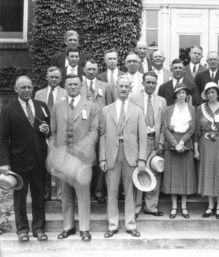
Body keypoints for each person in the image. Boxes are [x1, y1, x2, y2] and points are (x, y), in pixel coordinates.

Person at [0, 76, 50, 242]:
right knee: (20, 197)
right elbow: (2, 138)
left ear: (33, 88)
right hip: (18, 161)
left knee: (39, 195)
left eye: (29, 87)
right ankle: (22, 230)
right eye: (23, 88)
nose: (27, 90)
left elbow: (48, 130)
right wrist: (5, 163)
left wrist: (46, 130)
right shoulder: (8, 109)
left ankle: (39, 228)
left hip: (39, 159)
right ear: (16, 89)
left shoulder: (41, 106)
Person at [49, 74, 98, 241]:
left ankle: (84, 228)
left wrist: (82, 148)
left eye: (75, 84)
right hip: (63, 159)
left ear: (80, 86)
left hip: (82, 160)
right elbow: (53, 132)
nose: (72, 87)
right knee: (66, 195)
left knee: (83, 196)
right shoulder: (57, 106)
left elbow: (93, 132)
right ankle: (68, 227)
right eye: (69, 84)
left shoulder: (90, 106)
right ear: (65, 85)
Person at [99, 76, 147, 238]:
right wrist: (102, 158)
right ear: (116, 88)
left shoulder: (137, 110)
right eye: (121, 86)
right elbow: (102, 136)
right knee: (111, 191)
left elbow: (143, 136)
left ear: (130, 88)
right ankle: (112, 225)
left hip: (131, 155)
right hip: (112, 154)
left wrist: (142, 159)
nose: (124, 89)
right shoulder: (106, 110)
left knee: (130, 191)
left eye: (127, 86)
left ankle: (130, 224)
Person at [131, 72, 167, 219]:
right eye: (148, 82)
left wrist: (161, 142)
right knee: (139, 171)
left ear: (156, 84)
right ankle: (135, 207)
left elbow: (164, 124)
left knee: (155, 172)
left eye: (153, 82)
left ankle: (151, 206)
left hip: (155, 140)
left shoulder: (161, 101)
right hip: (140, 141)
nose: (151, 85)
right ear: (143, 83)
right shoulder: (134, 99)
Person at [161, 83, 197, 219]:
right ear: (175, 95)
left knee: (185, 177)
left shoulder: (192, 109)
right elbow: (165, 129)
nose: (181, 95)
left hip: (186, 143)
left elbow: (192, 128)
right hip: (171, 144)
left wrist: (182, 142)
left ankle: (184, 206)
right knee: (173, 177)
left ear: (186, 95)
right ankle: (174, 206)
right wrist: (175, 144)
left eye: (184, 92)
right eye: (179, 92)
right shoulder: (168, 109)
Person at [194, 82, 219, 219]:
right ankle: (210, 205)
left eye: (213, 92)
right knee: (207, 172)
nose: (210, 95)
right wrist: (196, 150)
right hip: (204, 144)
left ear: (217, 93)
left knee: (218, 172)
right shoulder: (200, 109)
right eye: (208, 93)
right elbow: (197, 131)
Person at [80, 59, 113, 203]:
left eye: (94, 69)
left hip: (101, 131)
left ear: (98, 70)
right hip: (84, 133)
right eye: (89, 69)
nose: (91, 72)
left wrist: (106, 126)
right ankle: (84, 191)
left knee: (101, 160)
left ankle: (99, 191)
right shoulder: (78, 86)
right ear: (84, 70)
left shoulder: (105, 86)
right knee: (85, 161)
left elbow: (111, 108)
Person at [34, 67, 67, 201]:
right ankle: (46, 193)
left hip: (60, 131)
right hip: (43, 132)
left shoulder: (66, 92)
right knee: (45, 162)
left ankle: (60, 193)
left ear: (60, 79)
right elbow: (36, 112)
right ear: (47, 78)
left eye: (56, 77)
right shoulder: (39, 94)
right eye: (51, 77)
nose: (54, 79)